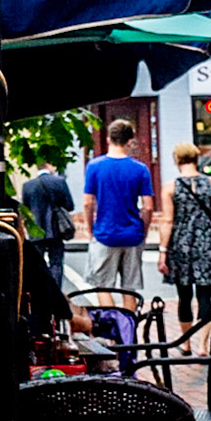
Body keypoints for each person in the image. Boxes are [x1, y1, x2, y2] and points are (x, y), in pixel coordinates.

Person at [156, 142, 211, 349]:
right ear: (196, 159)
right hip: (207, 243)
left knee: (184, 296)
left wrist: (163, 251)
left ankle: (186, 344)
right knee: (205, 297)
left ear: (176, 161)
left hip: (181, 244)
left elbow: (167, 221)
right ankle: (203, 345)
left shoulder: (171, 187)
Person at [82, 119, 155, 304]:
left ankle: (113, 330)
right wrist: (143, 230)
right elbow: (148, 206)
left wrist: (91, 229)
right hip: (132, 234)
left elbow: (87, 203)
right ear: (130, 141)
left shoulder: (94, 167)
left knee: (102, 286)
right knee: (129, 289)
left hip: (105, 232)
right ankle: (128, 331)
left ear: (108, 139)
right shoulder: (140, 169)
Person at [20, 161, 74, 289]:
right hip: (56, 228)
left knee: (36, 263)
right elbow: (69, 205)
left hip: (36, 229)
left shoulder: (28, 186)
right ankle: (55, 291)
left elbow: (25, 210)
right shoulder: (59, 182)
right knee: (56, 262)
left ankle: (39, 291)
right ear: (49, 166)